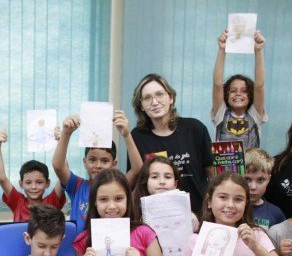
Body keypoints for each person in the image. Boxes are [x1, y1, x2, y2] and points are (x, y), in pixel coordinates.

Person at [74, 169, 168, 256]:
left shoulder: (143, 233)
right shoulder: (85, 240)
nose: (112, 206)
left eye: (118, 198)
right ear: (94, 202)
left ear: (128, 199)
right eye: (103, 199)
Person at [129, 73, 213, 214]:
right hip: (156, 217)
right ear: (141, 105)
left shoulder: (195, 129)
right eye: (147, 98)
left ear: (171, 98)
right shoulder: (137, 136)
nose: (154, 102)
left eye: (160, 94)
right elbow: (137, 180)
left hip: (199, 213)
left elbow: (213, 175)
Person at [132, 156, 200, 256]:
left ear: (176, 184)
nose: (161, 181)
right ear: (145, 182)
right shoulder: (137, 219)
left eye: (167, 177)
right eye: (154, 177)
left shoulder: (190, 218)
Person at [52, 111, 143, 232]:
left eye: (105, 161)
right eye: (92, 160)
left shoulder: (119, 185)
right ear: (85, 162)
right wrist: (66, 133)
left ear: (114, 164)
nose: (98, 165)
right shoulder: (77, 186)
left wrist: (126, 135)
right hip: (81, 250)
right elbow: (58, 166)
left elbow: (137, 169)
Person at [212, 30, 267, 148]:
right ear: (226, 95)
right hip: (225, 166)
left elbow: (259, 85)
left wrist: (258, 50)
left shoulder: (255, 115)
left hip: (251, 166)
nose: (238, 94)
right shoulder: (220, 114)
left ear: (251, 95)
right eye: (232, 91)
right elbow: (217, 84)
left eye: (244, 91)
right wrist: (222, 49)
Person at [0, 129, 66, 221]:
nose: (33, 187)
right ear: (21, 184)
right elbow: (2, 178)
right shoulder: (17, 202)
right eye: (28, 183)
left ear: (47, 183)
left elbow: (63, 173)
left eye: (39, 182)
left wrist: (61, 142)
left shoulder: (51, 202)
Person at [244, 148, 285, 231]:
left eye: (260, 180)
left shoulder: (275, 214)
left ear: (269, 179)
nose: (253, 187)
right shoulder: (231, 208)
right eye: (247, 179)